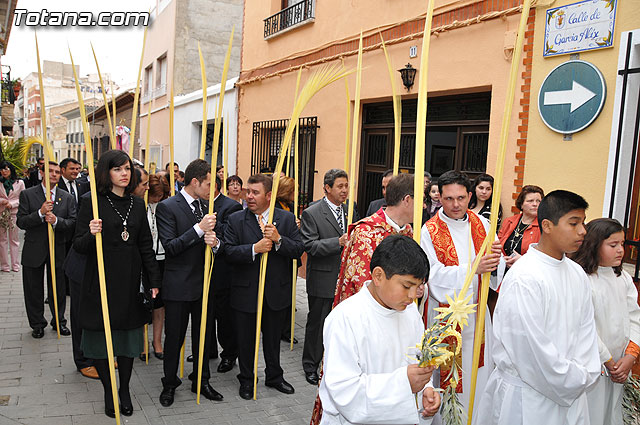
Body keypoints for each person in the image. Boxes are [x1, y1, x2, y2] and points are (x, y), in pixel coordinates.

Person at [473, 190, 600, 425]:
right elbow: (529, 349)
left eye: (583, 222)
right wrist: (571, 380)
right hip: (528, 398)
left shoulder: (576, 273)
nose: (583, 231)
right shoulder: (525, 277)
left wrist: (582, 374)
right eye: (574, 223)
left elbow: (586, 332)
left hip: (572, 392)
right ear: (547, 226)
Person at [73, 150, 161, 418]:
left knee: (126, 340)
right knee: (100, 339)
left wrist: (153, 280)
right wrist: (91, 232)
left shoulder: (137, 203)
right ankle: (108, 389)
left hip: (130, 281)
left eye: (127, 168)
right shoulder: (92, 202)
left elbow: (145, 244)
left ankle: (123, 388)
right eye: (117, 169)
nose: (125, 173)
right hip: (100, 280)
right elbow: (78, 245)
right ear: (106, 172)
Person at [319, 235, 440, 424]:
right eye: (407, 286)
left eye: (418, 287)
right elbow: (344, 391)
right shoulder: (346, 318)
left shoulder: (410, 313)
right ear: (378, 276)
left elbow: (418, 360)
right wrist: (404, 383)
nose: (412, 296)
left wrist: (426, 390)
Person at [420, 170, 505, 415]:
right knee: (448, 383)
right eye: (448, 199)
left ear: (470, 196)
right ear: (440, 199)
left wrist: (496, 260)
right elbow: (431, 275)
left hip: (477, 317)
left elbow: (494, 268)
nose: (455, 205)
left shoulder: (484, 225)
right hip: (445, 319)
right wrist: (472, 270)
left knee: (477, 378)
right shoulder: (430, 231)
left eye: (460, 198)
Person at [224, 174, 304, 400]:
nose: (248, 196)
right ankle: (247, 379)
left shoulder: (286, 219)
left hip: (275, 292)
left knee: (272, 340)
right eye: (247, 191)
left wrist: (279, 240)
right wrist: (253, 249)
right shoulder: (236, 219)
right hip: (245, 292)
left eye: (254, 192)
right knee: (246, 341)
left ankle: (274, 376)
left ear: (269, 195)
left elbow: (298, 249)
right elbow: (228, 252)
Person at [156, 159, 223, 407]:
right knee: (175, 337)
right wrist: (198, 229)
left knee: (204, 335)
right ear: (195, 182)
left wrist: (215, 243)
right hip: (178, 284)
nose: (212, 189)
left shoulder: (207, 206)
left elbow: (219, 242)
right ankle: (170, 383)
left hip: (204, 283)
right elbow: (171, 247)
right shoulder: (167, 207)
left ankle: (202, 380)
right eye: (208, 184)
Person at [573, 218, 640, 425]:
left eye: (623, 244)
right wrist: (608, 361)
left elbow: (635, 317)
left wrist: (630, 356)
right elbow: (584, 326)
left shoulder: (623, 278)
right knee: (591, 413)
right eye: (613, 245)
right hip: (596, 363)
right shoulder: (582, 279)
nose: (621, 250)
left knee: (612, 415)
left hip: (620, 363)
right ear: (593, 244)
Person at [333, 173, 415, 306]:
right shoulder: (366, 233)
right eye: (422, 200)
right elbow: (361, 285)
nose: (423, 206)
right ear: (406, 200)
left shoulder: (408, 231)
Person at [300, 169, 349, 386]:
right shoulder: (312, 212)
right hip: (322, 278)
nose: (345, 191)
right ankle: (310, 364)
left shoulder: (351, 210)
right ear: (327, 188)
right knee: (318, 323)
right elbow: (309, 246)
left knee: (339, 324)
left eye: (346, 186)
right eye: (340, 186)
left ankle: (332, 364)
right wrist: (336, 243)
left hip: (345, 278)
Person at [17, 161, 75, 338]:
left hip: (57, 248)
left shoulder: (66, 197)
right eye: (50, 171)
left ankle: (59, 321)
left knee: (57, 287)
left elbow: (73, 222)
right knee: (33, 288)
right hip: (34, 248)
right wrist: (40, 214)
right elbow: (21, 221)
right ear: (41, 173)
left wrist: (57, 221)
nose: (54, 174)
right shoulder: (28, 194)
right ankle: (37, 324)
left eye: (57, 172)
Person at [209, 175, 243, 373]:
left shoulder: (231, 206)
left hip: (223, 269)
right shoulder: (197, 204)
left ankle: (229, 354)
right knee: (206, 313)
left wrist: (210, 224)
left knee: (224, 317)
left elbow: (230, 234)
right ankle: (208, 349)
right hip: (201, 270)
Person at [140, 174, 171, 361]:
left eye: (161, 195)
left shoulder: (166, 207)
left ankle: (157, 341)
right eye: (154, 195)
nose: (157, 199)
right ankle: (142, 342)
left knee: (160, 303)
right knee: (144, 302)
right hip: (144, 259)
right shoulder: (139, 207)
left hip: (163, 258)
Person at [498, 185, 544, 269]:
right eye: (530, 201)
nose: (535, 204)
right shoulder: (509, 221)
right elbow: (498, 245)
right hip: (503, 270)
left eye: (538, 201)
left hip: (527, 272)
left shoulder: (544, 226)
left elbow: (545, 257)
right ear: (521, 204)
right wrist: (502, 259)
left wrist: (522, 260)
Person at [0, 161, 25, 272]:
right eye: (1, 169)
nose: (3, 171)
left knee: (14, 240)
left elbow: (23, 198)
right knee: (2, 240)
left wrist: (12, 204)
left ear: (11, 169)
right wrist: (2, 201)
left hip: (14, 213)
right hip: (1, 213)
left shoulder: (19, 183)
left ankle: (15, 265)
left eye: (6, 169)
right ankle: (4, 265)